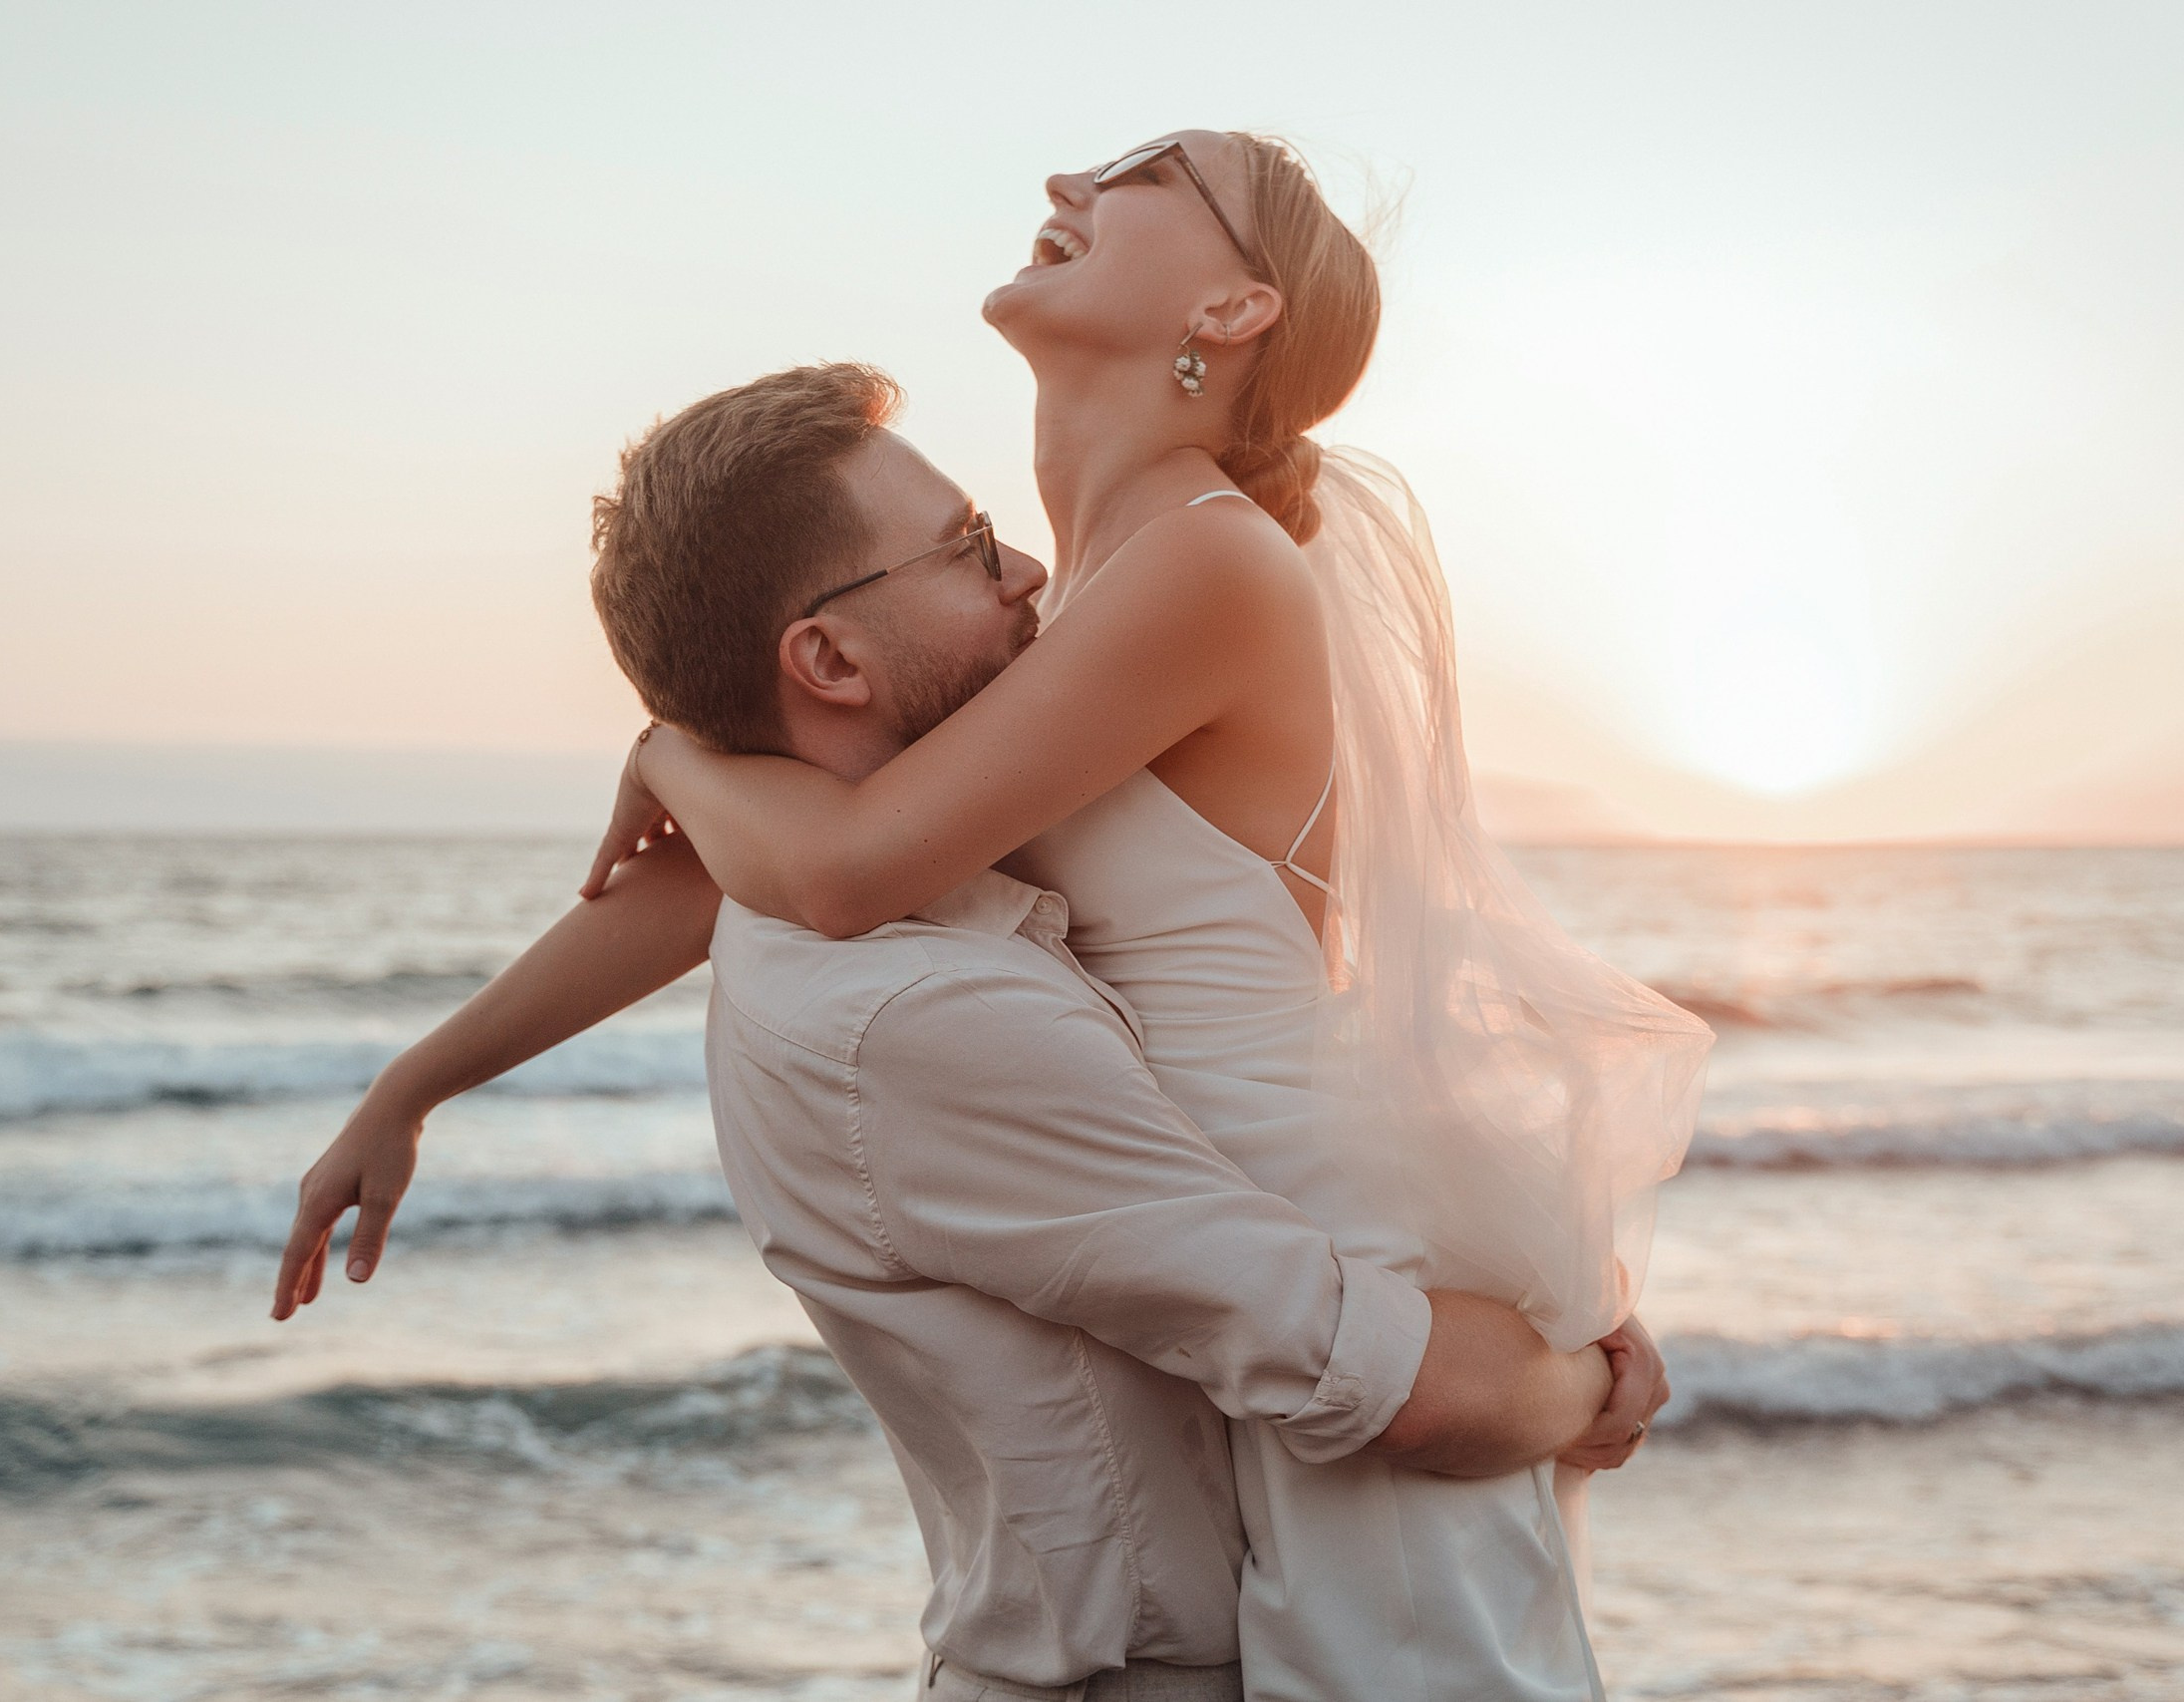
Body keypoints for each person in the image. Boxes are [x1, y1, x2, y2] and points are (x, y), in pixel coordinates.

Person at [274, 363, 1665, 1700]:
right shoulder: (922, 1012)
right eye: (969, 548)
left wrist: (422, 1073)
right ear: (823, 656)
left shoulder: (861, 874)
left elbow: (733, 873)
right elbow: (1385, 1385)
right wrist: (1579, 1387)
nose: (1031, 577)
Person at [583, 134, 1713, 1700]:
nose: (1067, 183)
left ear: (1236, 308)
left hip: (1319, 1239)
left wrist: (662, 748)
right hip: (1219, 1253)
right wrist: (423, 1081)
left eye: (1143, 175)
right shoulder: (1074, 589)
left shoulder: (1208, 567)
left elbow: (835, 867)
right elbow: (776, 861)